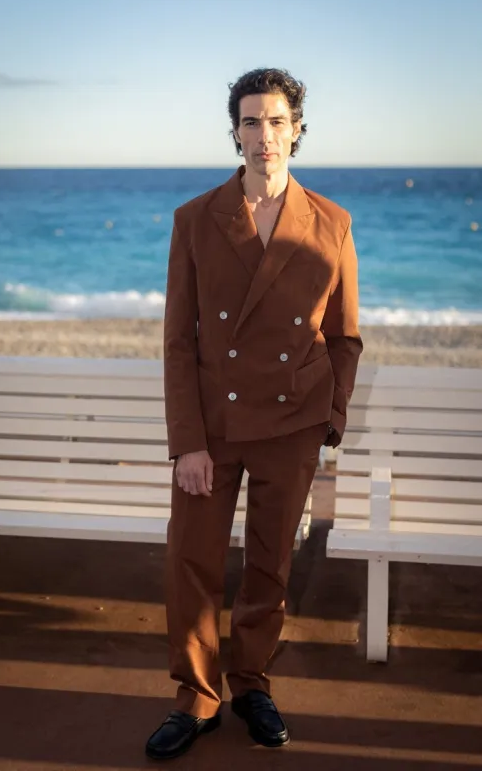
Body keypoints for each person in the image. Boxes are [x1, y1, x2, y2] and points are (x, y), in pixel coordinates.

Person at [146, 67, 363, 760]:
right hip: (214, 425)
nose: (263, 136)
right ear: (233, 131)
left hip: (292, 425)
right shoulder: (194, 219)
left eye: (275, 121)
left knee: (269, 566)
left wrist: (328, 418)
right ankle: (196, 696)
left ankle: (251, 683)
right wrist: (187, 443)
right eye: (250, 122)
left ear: (296, 130)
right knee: (193, 563)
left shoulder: (331, 222)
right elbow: (179, 341)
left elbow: (344, 336)